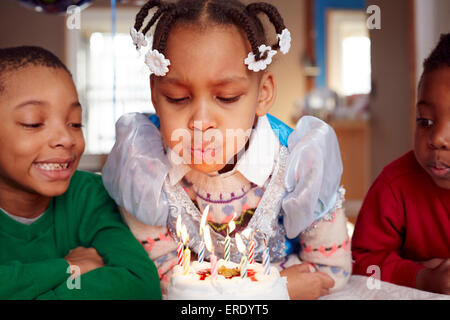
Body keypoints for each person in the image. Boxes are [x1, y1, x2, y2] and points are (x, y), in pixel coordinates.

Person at [102, 0, 351, 300]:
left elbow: (329, 272)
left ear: (264, 94)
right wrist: (272, 291)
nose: (201, 123)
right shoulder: (143, 165)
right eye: (178, 98)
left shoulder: (299, 163)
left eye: (228, 97)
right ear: (155, 94)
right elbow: (162, 278)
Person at [0, 46, 161, 300]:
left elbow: (140, 285)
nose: (66, 138)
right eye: (33, 122)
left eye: (75, 122)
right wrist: (66, 268)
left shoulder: (90, 195)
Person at [352, 33, 450, 295]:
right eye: (425, 121)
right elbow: (362, 262)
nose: (437, 139)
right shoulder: (395, 185)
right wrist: (420, 277)